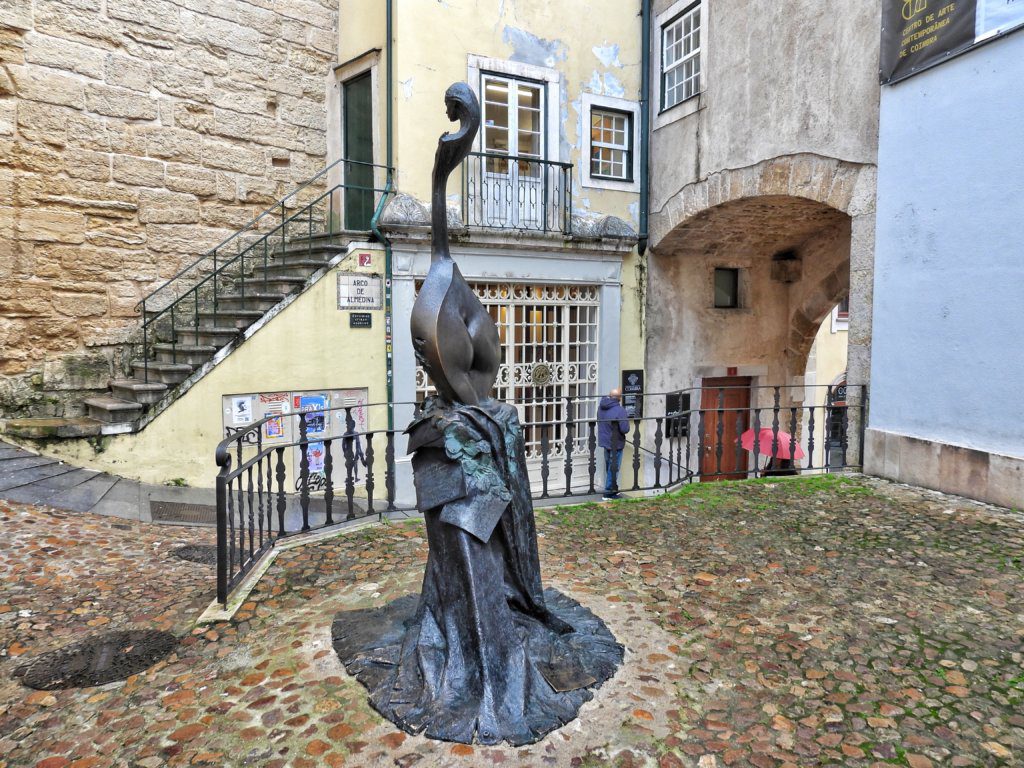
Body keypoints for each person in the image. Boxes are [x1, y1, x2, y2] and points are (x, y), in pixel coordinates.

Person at [597, 387, 630, 500]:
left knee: (609, 466)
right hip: (616, 442)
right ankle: (608, 493)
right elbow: (625, 429)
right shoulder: (620, 410)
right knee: (614, 468)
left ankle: (612, 489)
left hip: (605, 440)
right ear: (619, 398)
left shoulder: (601, 407)